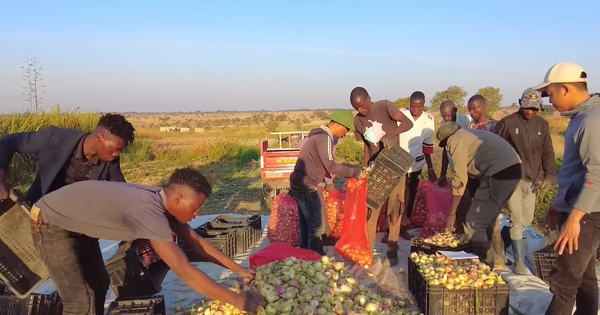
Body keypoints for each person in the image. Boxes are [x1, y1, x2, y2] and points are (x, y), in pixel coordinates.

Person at [31, 167, 266, 315]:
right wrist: (237, 300)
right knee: (79, 301)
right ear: (180, 198)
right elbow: (183, 269)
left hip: (77, 225)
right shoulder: (149, 213)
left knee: (100, 284)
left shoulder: (162, 201)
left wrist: (241, 271)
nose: (197, 214)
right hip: (52, 224)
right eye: (196, 208)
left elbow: (196, 242)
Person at [532, 62, 600, 315]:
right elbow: (576, 172)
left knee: (563, 284)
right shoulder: (583, 116)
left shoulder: (592, 120)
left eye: (550, 93)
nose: (549, 100)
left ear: (565, 88)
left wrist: (574, 218)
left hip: (586, 215)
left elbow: (597, 173)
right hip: (581, 210)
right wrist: (558, 204)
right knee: (584, 280)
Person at [437, 122, 521, 268]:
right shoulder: (467, 134)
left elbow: (459, 180)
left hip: (499, 173)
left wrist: (452, 214)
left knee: (474, 222)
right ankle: (499, 259)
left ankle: (484, 265)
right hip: (512, 170)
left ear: (445, 140)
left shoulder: (455, 140)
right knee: (489, 217)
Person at [0, 113, 134, 204]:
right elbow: (8, 142)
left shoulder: (110, 160)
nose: (117, 154)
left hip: (76, 225)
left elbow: (121, 190)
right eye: (115, 149)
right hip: (39, 213)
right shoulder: (55, 138)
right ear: (100, 137)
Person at [495, 88, 557, 275]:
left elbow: (547, 151)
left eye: (534, 108)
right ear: (521, 104)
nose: (530, 111)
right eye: (527, 107)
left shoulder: (542, 125)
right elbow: (496, 149)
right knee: (517, 218)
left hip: (533, 179)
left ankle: (506, 240)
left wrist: (550, 174)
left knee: (527, 220)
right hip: (512, 178)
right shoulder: (507, 123)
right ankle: (519, 263)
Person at [350, 86, 413, 267]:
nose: (361, 110)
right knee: (371, 212)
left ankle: (392, 253)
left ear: (369, 98)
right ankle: (367, 253)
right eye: (357, 108)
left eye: (362, 106)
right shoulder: (358, 121)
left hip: (395, 165)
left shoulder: (385, 106)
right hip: (376, 169)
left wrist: (391, 135)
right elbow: (367, 147)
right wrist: (365, 168)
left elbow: (408, 124)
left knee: (395, 209)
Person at [290, 109, 366, 255]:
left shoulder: (318, 135)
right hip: (306, 184)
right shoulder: (324, 139)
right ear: (337, 125)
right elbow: (331, 166)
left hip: (298, 181)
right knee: (317, 226)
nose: (345, 134)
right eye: (345, 130)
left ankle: (304, 256)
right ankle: (316, 258)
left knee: (306, 223)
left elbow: (324, 165)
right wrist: (356, 173)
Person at [382, 91, 436, 242]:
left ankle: (404, 226)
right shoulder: (401, 115)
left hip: (416, 163)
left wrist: (430, 168)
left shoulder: (429, 119)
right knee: (393, 197)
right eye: (413, 106)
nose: (416, 109)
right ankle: (389, 229)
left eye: (419, 106)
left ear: (423, 104)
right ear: (409, 104)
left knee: (410, 196)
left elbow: (427, 146)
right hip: (398, 162)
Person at [438, 100, 473, 187]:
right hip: (455, 168)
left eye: (448, 115)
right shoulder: (443, 124)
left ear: (455, 110)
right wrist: (443, 174)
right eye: (443, 116)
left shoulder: (466, 120)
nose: (446, 119)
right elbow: (446, 149)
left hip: (468, 167)